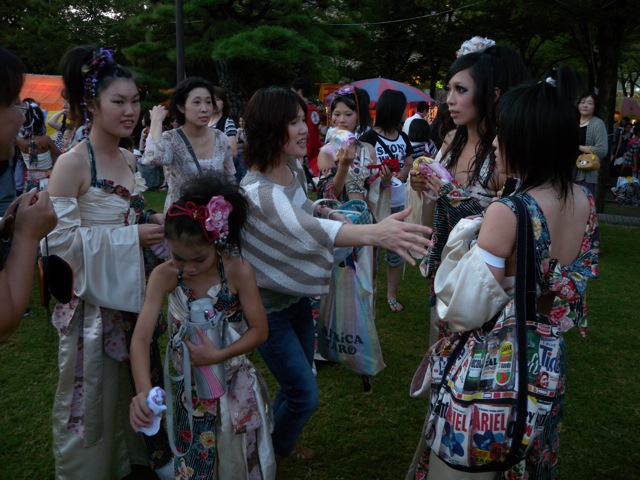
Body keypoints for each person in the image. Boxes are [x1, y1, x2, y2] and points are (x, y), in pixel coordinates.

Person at [239, 86, 432, 479]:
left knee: (299, 383)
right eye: (293, 122)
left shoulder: (289, 167)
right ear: (270, 129)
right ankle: (270, 452)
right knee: (304, 394)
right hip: (267, 307)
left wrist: (327, 208)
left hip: (293, 299)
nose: (305, 129)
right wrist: (375, 234)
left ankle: (272, 445)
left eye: (303, 119)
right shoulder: (257, 192)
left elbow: (306, 209)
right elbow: (306, 228)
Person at [418, 66, 599, 480]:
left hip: (498, 361)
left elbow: (466, 307)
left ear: (528, 141)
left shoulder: (510, 211)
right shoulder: (584, 203)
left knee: (476, 462)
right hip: (546, 356)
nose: (496, 142)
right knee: (530, 448)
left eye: (505, 132)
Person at [45, 44, 172, 479]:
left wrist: (155, 222)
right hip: (93, 307)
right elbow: (59, 246)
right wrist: (130, 236)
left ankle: (134, 460)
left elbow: (132, 211)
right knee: (93, 396)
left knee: (130, 387)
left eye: (135, 101)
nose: (130, 110)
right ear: (91, 105)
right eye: (119, 101)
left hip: (132, 297)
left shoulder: (128, 157)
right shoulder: (71, 164)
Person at [406, 41, 530, 480]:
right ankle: (438, 451)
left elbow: (506, 223)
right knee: (442, 372)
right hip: (441, 277)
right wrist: (418, 193)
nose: (449, 100)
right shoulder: (449, 140)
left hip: (480, 291)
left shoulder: (502, 155)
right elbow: (430, 209)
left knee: (471, 380)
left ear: (491, 95)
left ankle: (469, 458)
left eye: (460, 90)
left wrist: (448, 197)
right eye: (448, 90)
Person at [130, 173, 275, 479]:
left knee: (234, 456)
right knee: (195, 458)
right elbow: (141, 339)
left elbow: (259, 330)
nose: (189, 268)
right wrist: (143, 392)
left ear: (217, 241)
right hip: (186, 388)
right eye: (178, 257)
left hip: (232, 381)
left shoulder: (237, 271)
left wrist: (218, 356)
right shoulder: (165, 275)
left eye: (199, 258)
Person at [0, 46, 57, 341]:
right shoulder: (45, 140)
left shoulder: (23, 146)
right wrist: (26, 235)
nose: (22, 119)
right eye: (13, 104)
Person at [142, 77, 235, 212]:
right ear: (181, 107)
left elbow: (230, 179)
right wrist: (156, 121)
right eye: (196, 102)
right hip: (182, 218)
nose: (204, 109)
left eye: (208, 102)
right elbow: (155, 158)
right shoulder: (171, 138)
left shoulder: (221, 138)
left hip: (214, 217)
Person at [360, 89, 414, 312]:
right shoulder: (369, 137)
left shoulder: (403, 137)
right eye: (403, 109)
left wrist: (401, 175)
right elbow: (361, 172)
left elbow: (409, 161)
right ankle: (368, 293)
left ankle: (391, 295)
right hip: (377, 202)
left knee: (396, 250)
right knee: (372, 252)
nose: (405, 114)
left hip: (398, 202)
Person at [16, 102, 62, 191]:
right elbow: (61, 156)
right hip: (47, 182)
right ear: (40, 120)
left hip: (30, 182)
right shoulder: (46, 139)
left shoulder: (20, 140)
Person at [575, 92, 608, 196]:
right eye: (582, 102)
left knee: (581, 204)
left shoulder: (597, 124)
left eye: (589, 103)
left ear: (595, 107)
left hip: (584, 171)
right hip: (565, 171)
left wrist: (577, 147)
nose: (585, 105)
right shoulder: (571, 121)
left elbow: (602, 150)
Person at [291, 78, 322, 186]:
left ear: (299, 91)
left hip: (310, 153)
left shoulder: (309, 110)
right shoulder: (311, 109)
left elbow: (312, 135)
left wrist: (306, 155)